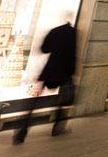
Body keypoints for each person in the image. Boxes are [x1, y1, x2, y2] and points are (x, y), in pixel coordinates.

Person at [13, 15, 77, 145]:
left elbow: (44, 49)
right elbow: (74, 53)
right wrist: (72, 71)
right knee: (62, 101)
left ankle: (22, 131)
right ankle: (57, 128)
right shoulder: (73, 33)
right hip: (65, 70)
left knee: (35, 101)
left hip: (50, 68)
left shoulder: (55, 31)